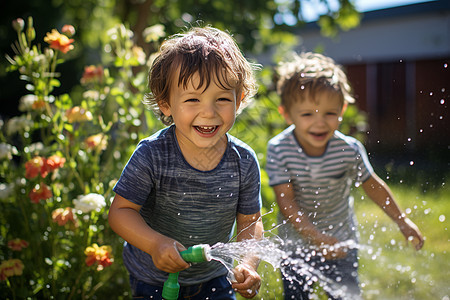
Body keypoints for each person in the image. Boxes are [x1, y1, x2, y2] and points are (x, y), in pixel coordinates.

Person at [108, 26, 264, 300]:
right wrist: (156, 244)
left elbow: (250, 222)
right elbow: (120, 212)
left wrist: (247, 263)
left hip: (215, 276)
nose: (209, 112)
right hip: (153, 279)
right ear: (166, 104)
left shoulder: (244, 161)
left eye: (222, 99)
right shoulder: (152, 155)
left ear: (239, 100)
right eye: (193, 99)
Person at [265, 52, 424, 299]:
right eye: (307, 114)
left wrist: (402, 220)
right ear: (287, 114)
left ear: (342, 109)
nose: (319, 123)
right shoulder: (280, 148)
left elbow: (373, 186)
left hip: (341, 241)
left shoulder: (348, 149)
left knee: (346, 296)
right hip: (295, 243)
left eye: (329, 113)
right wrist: (315, 237)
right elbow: (286, 201)